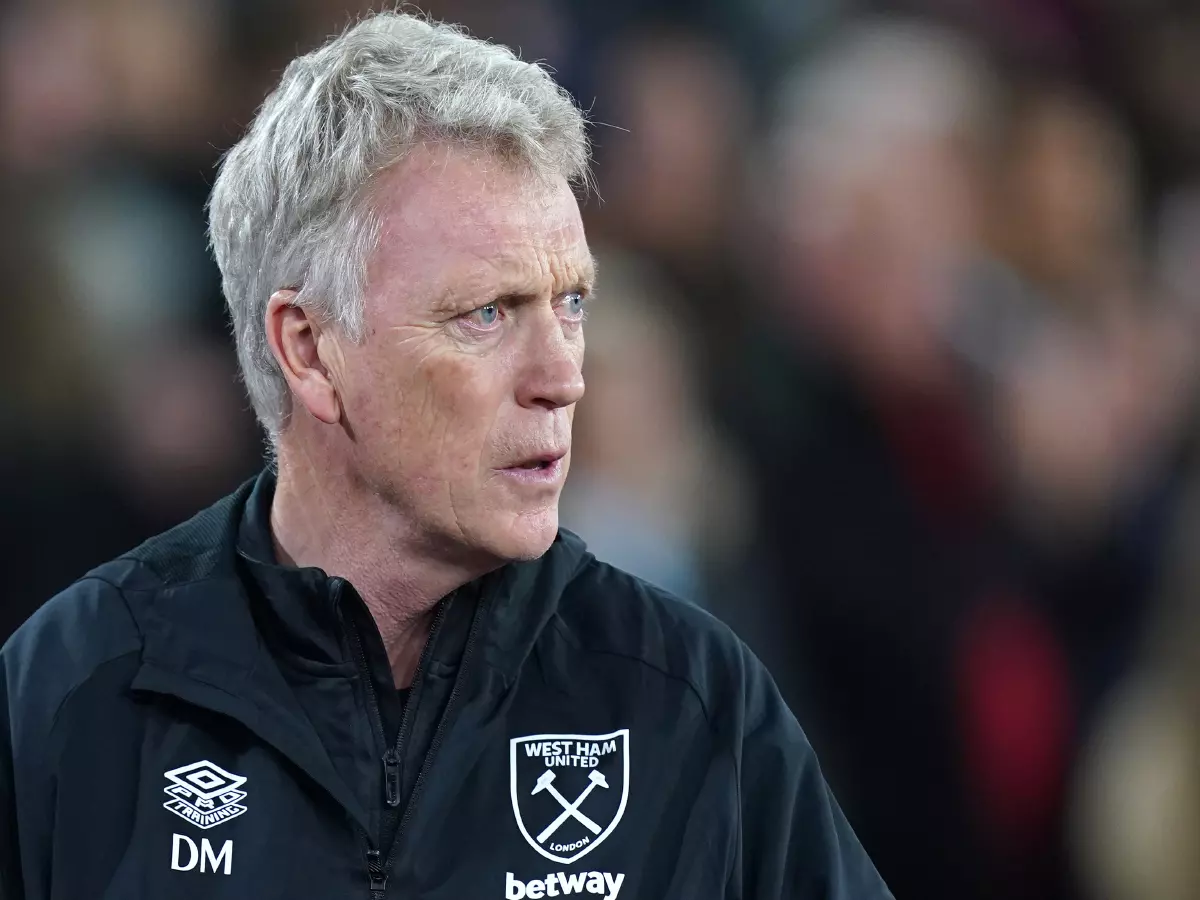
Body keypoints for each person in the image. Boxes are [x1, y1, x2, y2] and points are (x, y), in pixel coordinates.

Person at [0, 11, 891, 900]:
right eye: (488, 314)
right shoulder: (76, 691)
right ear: (309, 350)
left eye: (572, 302)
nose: (563, 378)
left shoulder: (691, 701)